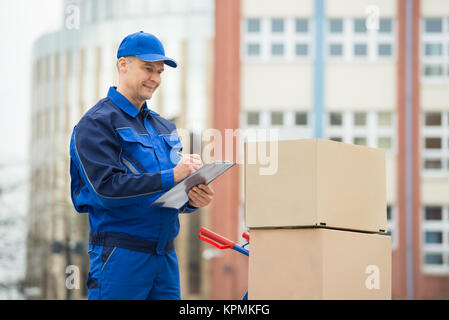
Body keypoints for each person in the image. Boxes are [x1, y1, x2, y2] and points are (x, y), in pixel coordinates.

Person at [69, 31, 215, 300]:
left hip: (166, 259)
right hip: (120, 257)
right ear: (123, 65)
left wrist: (192, 198)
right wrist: (172, 175)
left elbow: (167, 193)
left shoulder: (163, 127)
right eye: (148, 69)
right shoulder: (97, 124)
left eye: (159, 71)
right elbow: (106, 190)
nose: (155, 79)